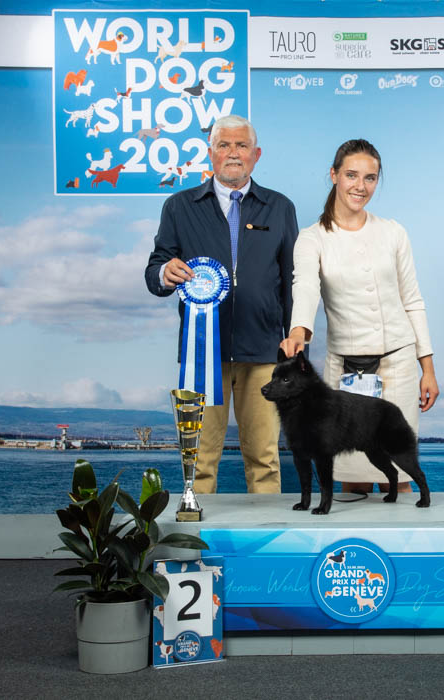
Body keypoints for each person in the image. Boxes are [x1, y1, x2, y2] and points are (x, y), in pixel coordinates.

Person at [145, 115, 299, 494]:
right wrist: (165, 272)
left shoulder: (280, 207)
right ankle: (196, 528)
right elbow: (154, 271)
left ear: (256, 155)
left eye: (241, 146)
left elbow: (293, 282)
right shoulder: (179, 206)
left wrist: (295, 349)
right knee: (198, 460)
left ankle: (266, 532)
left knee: (265, 458)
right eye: (224, 145)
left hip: (264, 355)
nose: (233, 153)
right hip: (201, 356)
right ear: (210, 153)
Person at [279, 138, 439, 494]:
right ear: (333, 175)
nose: (360, 186)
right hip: (345, 370)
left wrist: (427, 369)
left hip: (398, 366)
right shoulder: (311, 238)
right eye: (351, 175)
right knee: (352, 479)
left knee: (398, 477)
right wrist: (298, 331)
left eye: (370, 178)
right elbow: (305, 287)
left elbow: (413, 300)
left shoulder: (394, 232)